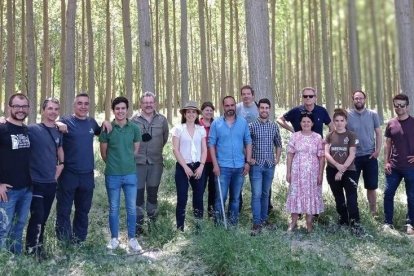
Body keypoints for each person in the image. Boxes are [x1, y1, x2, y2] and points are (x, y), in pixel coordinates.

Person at [55, 93, 101, 244]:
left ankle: (79, 239)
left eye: (86, 103)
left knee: (83, 210)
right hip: (68, 174)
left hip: (87, 175)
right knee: (64, 209)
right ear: (74, 105)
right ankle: (64, 240)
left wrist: (107, 122)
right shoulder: (65, 121)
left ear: (89, 106)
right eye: (79, 103)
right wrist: (57, 123)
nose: (83, 106)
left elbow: (102, 133)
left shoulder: (92, 123)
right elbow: (48, 123)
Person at [99, 96, 142, 252]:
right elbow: (103, 153)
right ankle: (114, 239)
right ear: (113, 110)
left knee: (131, 208)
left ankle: (132, 239)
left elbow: (135, 150)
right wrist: (114, 164)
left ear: (127, 110)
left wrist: (126, 162)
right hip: (113, 175)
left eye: (123, 108)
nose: (120, 111)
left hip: (130, 174)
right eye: (117, 108)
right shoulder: (107, 128)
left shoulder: (135, 129)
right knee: (114, 208)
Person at [25, 98, 64, 257]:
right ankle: (31, 250)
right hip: (36, 182)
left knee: (44, 218)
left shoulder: (58, 131)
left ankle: (39, 248)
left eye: (56, 109)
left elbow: (60, 149)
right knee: (37, 217)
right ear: (43, 110)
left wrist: (60, 166)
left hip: (50, 183)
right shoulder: (32, 129)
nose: (53, 112)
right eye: (50, 108)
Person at [209, 96, 252, 226]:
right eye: (227, 106)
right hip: (222, 167)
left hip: (239, 167)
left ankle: (233, 225)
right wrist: (215, 165)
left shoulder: (242, 122)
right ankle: (219, 226)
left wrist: (248, 162)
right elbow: (211, 144)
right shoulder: (216, 123)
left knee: (235, 199)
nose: (230, 108)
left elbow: (248, 142)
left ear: (235, 106)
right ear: (223, 107)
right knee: (220, 198)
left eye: (232, 105)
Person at [131, 92, 169, 234]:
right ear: (140, 104)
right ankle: (138, 226)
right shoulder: (133, 121)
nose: (148, 105)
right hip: (138, 163)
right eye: (145, 102)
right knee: (138, 195)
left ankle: (153, 224)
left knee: (153, 194)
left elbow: (164, 139)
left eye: (151, 102)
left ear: (155, 103)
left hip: (156, 163)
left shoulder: (162, 120)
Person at [0, 93, 32, 254]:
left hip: (27, 189)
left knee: (19, 227)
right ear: (9, 107)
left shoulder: (26, 129)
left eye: (24, 106)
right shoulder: (2, 128)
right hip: (7, 192)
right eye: (17, 106)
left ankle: (15, 260)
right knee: (2, 229)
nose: (20, 109)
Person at [285, 112, 324, 232]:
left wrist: (320, 174)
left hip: (312, 173)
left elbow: (321, 157)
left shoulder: (317, 137)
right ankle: (293, 222)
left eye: (308, 121)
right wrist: (288, 172)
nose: (306, 124)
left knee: (310, 195)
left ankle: (309, 223)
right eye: (303, 121)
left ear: (312, 123)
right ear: (300, 123)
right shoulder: (295, 136)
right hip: (297, 171)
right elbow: (290, 155)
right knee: (295, 194)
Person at [325, 108, 362, 234]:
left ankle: (355, 224)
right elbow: (326, 153)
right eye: (337, 120)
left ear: (346, 122)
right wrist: (336, 165)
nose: (339, 123)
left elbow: (352, 154)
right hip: (332, 170)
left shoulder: (351, 135)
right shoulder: (329, 135)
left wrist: (341, 170)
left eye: (342, 120)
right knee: (339, 197)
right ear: (334, 122)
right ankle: (343, 221)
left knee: (351, 198)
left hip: (349, 170)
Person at [171, 101, 207, 231]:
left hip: (198, 166)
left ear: (197, 114)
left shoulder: (201, 130)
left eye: (193, 112)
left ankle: (198, 227)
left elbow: (204, 149)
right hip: (182, 166)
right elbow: (175, 149)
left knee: (198, 197)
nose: (191, 114)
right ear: (184, 114)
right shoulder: (178, 129)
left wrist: (202, 165)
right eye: (188, 112)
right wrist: (185, 167)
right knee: (182, 197)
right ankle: (180, 228)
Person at [249, 98, 282, 235]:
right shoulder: (251, 126)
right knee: (256, 194)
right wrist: (249, 158)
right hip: (256, 165)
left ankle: (264, 219)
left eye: (267, 108)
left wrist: (277, 158)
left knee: (265, 194)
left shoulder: (274, 126)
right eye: (262, 108)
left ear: (269, 109)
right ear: (258, 109)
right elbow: (247, 144)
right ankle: (256, 223)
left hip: (269, 165)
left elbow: (278, 144)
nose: (264, 110)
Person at [347, 90, 382, 216]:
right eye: (356, 98)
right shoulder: (348, 115)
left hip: (370, 156)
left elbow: (378, 133)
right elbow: (342, 133)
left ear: (365, 99)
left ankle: (373, 212)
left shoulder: (373, 114)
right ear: (353, 100)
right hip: (353, 157)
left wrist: (377, 151)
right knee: (351, 186)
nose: (358, 100)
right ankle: (353, 213)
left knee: (371, 186)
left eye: (361, 98)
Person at [383, 94, 414, 235]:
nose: (399, 108)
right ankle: (388, 223)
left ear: (407, 106)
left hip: (411, 168)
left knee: (411, 196)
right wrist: (386, 162)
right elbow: (388, 144)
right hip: (394, 167)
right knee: (388, 194)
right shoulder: (391, 123)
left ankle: (410, 224)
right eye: (396, 105)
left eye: (402, 105)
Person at [235, 85, 260, 212]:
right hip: (239, 150)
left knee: (257, 182)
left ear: (253, 95)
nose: (246, 96)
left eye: (248, 94)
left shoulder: (258, 108)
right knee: (238, 181)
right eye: (243, 94)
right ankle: (237, 208)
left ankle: (265, 209)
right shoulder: (237, 107)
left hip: (256, 151)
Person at [199, 101, 216, 218]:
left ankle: (212, 214)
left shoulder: (216, 124)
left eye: (211, 110)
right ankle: (198, 214)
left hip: (214, 161)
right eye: (207, 110)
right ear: (202, 111)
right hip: (201, 162)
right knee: (200, 188)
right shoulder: (197, 124)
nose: (209, 112)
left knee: (213, 189)